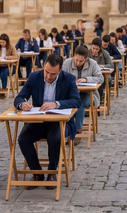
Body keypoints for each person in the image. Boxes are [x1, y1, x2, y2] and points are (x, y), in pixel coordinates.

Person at [14, 53, 81, 188]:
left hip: (59, 122)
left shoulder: (68, 79)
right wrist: (22, 104)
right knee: (23, 139)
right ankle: (37, 172)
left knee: (55, 137)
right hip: (39, 121)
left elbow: (76, 101)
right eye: (46, 71)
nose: (48, 76)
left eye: (52, 74)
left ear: (60, 70)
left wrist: (56, 104)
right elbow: (19, 97)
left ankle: (52, 172)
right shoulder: (34, 77)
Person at [62, 46, 104, 144]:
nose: (78, 63)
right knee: (72, 103)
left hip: (88, 94)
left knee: (79, 103)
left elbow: (100, 78)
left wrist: (86, 79)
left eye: (81, 61)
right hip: (70, 94)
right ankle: (69, 128)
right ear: (74, 56)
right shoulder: (67, 63)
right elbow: (61, 78)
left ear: (86, 59)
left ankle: (77, 131)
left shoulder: (93, 64)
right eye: (76, 60)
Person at [0, 33, 17, 99]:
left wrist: (7, 57)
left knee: (3, 73)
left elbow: (15, 56)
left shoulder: (11, 47)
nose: (2, 44)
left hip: (10, 66)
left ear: (7, 42)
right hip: (0, 65)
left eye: (3, 42)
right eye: (0, 42)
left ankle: (3, 91)